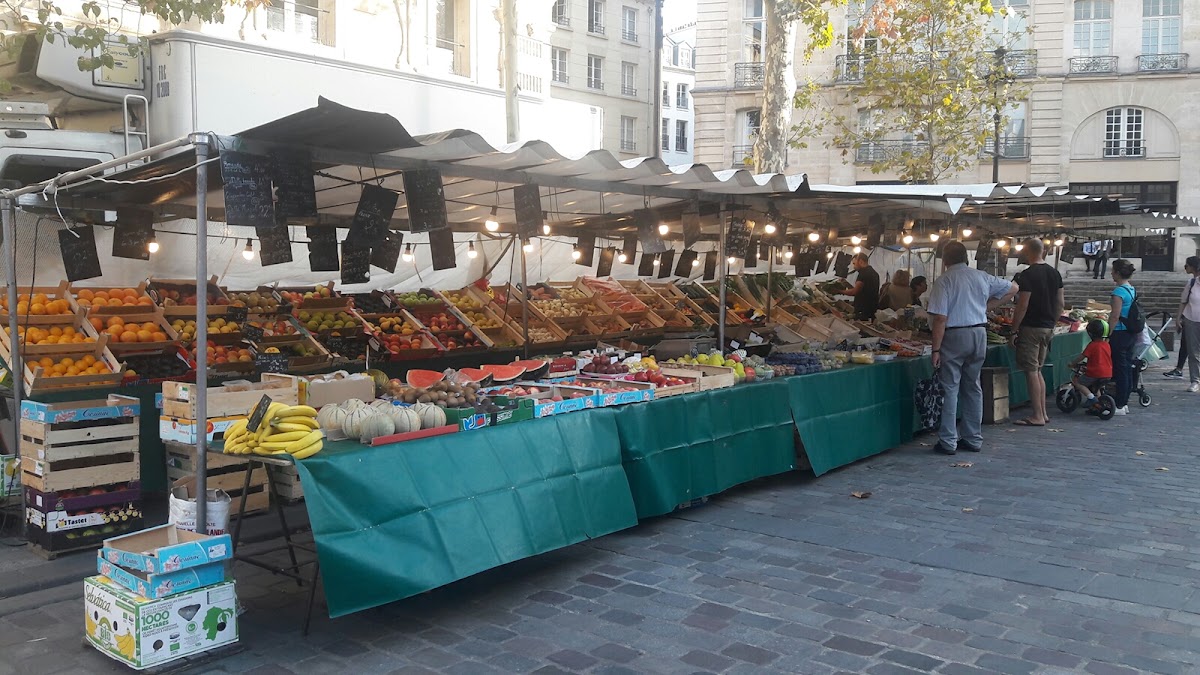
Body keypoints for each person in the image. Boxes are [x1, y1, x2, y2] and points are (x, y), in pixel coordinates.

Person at [927, 241, 1020, 455]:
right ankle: (973, 438)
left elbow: (940, 318)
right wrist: (986, 307)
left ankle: (948, 441)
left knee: (951, 387)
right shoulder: (981, 276)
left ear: (945, 259)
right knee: (972, 386)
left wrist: (935, 349)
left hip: (955, 335)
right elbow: (1014, 288)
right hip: (979, 333)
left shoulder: (944, 280)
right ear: (966, 257)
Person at [1010, 239, 1064, 427]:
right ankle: (1042, 412)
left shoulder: (1028, 275)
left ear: (1027, 251)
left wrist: (1013, 330)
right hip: (1048, 327)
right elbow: (1060, 303)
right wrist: (1053, 322)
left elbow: (1023, 304)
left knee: (1031, 371)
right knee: (1038, 370)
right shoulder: (1054, 273)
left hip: (1031, 327)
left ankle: (1037, 415)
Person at [1107, 259, 1138, 415]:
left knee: (1120, 370)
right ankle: (1124, 402)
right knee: (1126, 367)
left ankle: (1119, 403)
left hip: (1119, 332)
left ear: (1118, 273)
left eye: (1113, 271)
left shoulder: (1118, 292)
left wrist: (1108, 334)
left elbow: (1115, 315)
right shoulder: (1131, 289)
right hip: (1130, 333)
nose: (1111, 273)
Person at [1068, 319, 1112, 412]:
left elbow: (1082, 356)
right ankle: (1098, 405)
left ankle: (1091, 398)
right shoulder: (1106, 345)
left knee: (1078, 382)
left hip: (1095, 373)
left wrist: (1073, 363)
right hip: (1108, 373)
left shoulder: (1092, 345)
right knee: (1097, 387)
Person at [1173, 255, 1200, 392]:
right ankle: (1195, 380)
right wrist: (1178, 318)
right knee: (1193, 352)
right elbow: (1183, 301)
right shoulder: (1192, 283)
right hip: (1192, 320)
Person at [841, 252, 880, 320]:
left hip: (863, 310)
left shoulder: (863, 273)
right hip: (871, 309)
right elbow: (861, 291)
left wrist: (839, 291)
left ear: (861, 261)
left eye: (854, 264)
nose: (854, 267)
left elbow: (855, 292)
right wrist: (846, 284)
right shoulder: (874, 273)